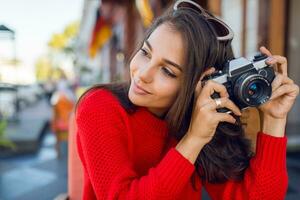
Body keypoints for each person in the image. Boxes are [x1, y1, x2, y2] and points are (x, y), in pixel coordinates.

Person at [75, 0, 299, 199]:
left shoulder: (201, 117)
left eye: (168, 71)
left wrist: (273, 119)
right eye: (146, 53)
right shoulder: (99, 106)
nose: (142, 74)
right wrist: (193, 140)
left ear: (199, 85)